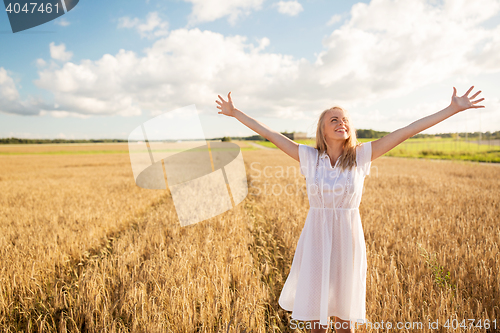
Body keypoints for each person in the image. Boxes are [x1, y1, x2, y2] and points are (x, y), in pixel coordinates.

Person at [215, 86, 484, 333]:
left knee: (345, 320)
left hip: (348, 239)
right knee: (315, 319)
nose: (341, 123)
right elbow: (270, 134)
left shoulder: (361, 156)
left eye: (344, 120)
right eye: (334, 119)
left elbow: (406, 131)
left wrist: (452, 109)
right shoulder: (309, 157)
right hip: (316, 239)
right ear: (322, 130)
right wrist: (235, 112)